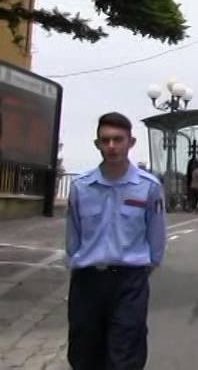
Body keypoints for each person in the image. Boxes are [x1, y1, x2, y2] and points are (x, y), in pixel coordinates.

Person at [66, 112, 166, 370]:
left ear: (130, 143)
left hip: (129, 282)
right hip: (87, 281)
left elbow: (156, 237)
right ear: (97, 144)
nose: (111, 146)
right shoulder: (81, 187)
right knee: (84, 353)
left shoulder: (148, 187)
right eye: (105, 140)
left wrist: (144, 268)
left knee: (125, 355)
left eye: (118, 140)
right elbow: (73, 237)